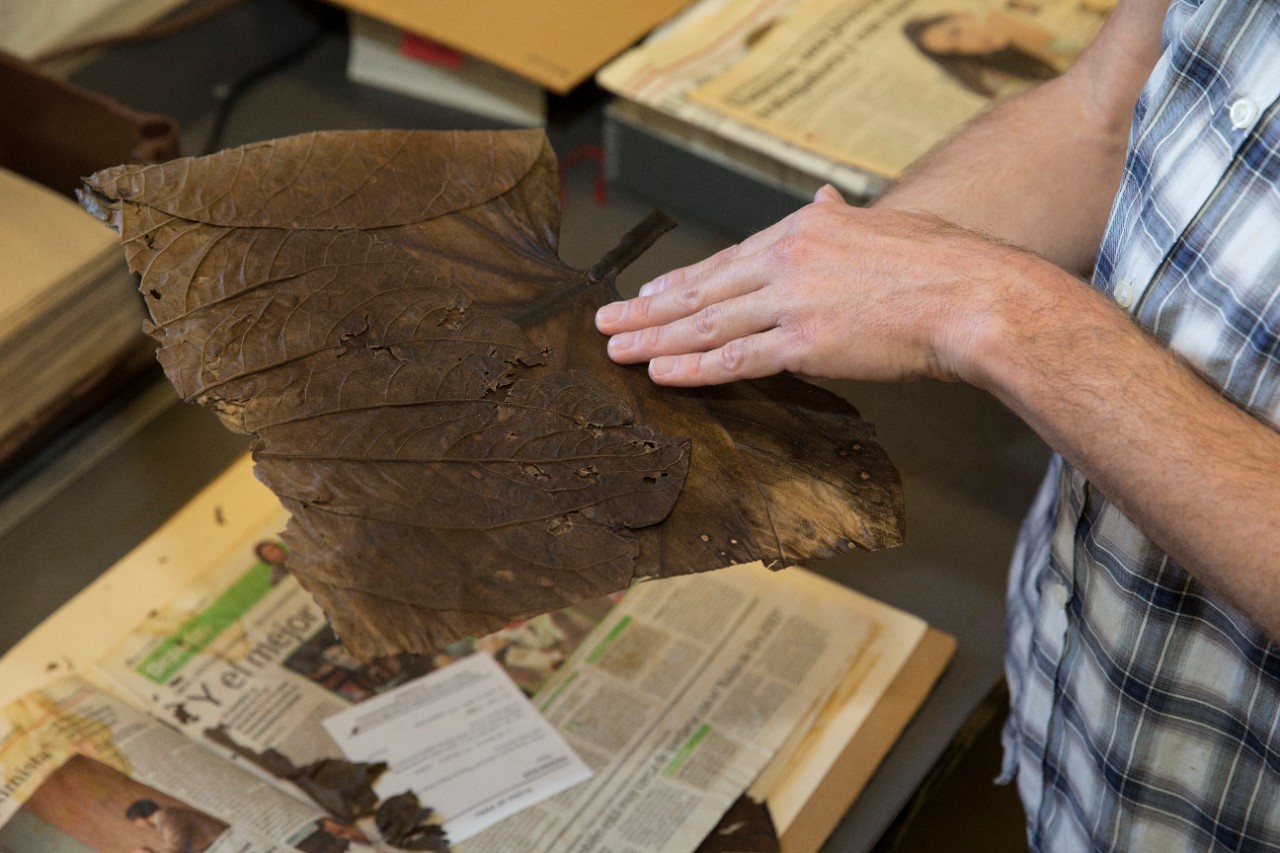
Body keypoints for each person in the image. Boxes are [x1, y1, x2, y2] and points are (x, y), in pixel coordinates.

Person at [595, 0, 1280, 848]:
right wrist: (827, 280)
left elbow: (995, 298)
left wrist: (997, 310)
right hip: (1085, 741)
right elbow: (1103, 107)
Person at [901, 9, 1076, 97]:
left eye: (956, 31)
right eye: (956, 49)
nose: (968, 43)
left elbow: (1075, 49)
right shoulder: (993, 74)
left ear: (961, 15)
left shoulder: (1005, 16)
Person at [125, 799, 228, 853]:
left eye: (135, 822)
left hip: (221, 846)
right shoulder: (166, 816)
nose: (137, 825)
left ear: (140, 818)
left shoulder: (165, 817)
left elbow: (178, 846)